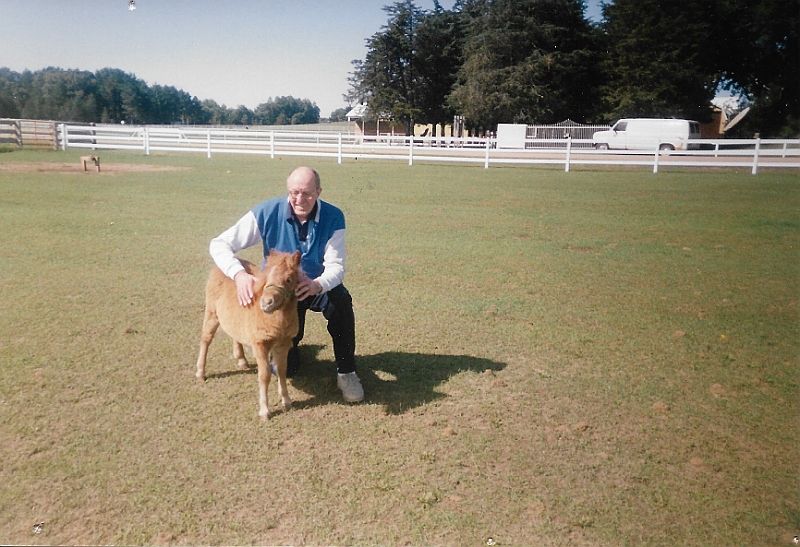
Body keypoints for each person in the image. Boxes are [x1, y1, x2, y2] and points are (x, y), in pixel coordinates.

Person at [209, 166, 363, 403]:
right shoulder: (267, 212)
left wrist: (317, 285)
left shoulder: (334, 217)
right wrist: (238, 274)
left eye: (307, 194)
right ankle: (291, 352)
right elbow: (219, 244)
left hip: (313, 284)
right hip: (279, 291)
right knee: (287, 368)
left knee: (340, 301)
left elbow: (337, 266)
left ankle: (346, 372)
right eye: (294, 192)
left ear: (319, 192)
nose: (299, 199)